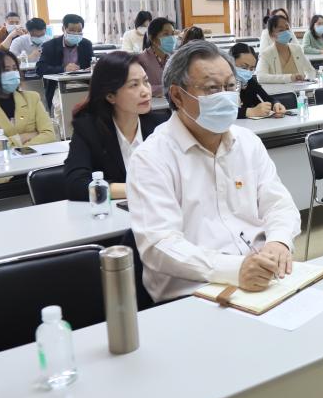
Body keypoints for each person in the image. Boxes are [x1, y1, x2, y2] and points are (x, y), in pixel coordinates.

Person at [126, 40, 301, 303]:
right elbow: (160, 245)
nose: (226, 96)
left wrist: (278, 242)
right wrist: (235, 270)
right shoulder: (152, 158)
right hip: (193, 294)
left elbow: (279, 204)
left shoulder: (247, 142)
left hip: (263, 279)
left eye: (230, 86)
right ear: (177, 96)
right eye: (211, 88)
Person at [63, 51, 161, 202]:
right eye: (134, 85)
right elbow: (75, 185)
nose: (145, 91)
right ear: (110, 96)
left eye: (146, 81)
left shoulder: (160, 125)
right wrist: (138, 190)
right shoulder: (89, 130)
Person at [0, 48, 56, 152]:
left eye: (15, 68)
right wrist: (22, 138)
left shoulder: (32, 98)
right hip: (1, 161)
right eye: (6, 70)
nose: (13, 73)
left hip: (36, 159)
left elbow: (49, 135)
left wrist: (14, 146)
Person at [36, 13, 93, 109]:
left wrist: (91, 68)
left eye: (79, 31)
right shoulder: (50, 45)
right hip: (58, 86)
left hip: (84, 84)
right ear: (63, 29)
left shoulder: (86, 44)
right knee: (61, 107)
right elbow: (40, 69)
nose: (76, 33)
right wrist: (63, 69)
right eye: (72, 30)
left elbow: (91, 63)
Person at [231, 42, 286, 119]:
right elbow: (220, 111)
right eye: (243, 67)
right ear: (230, 63)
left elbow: (267, 98)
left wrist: (276, 104)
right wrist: (250, 112)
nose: (247, 72)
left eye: (251, 68)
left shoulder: (249, 81)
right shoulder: (221, 84)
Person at [257, 14, 317, 83]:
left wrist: (307, 80)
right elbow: (261, 77)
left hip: (300, 88)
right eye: (281, 30)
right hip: (279, 90)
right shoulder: (266, 54)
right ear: (271, 34)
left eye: (287, 28)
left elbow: (310, 71)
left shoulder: (297, 49)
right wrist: (290, 77)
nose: (286, 32)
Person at [136, 17, 177, 98]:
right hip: (151, 104)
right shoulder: (141, 60)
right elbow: (139, 87)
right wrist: (167, 89)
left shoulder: (176, 58)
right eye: (166, 34)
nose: (171, 38)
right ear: (152, 38)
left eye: (172, 34)